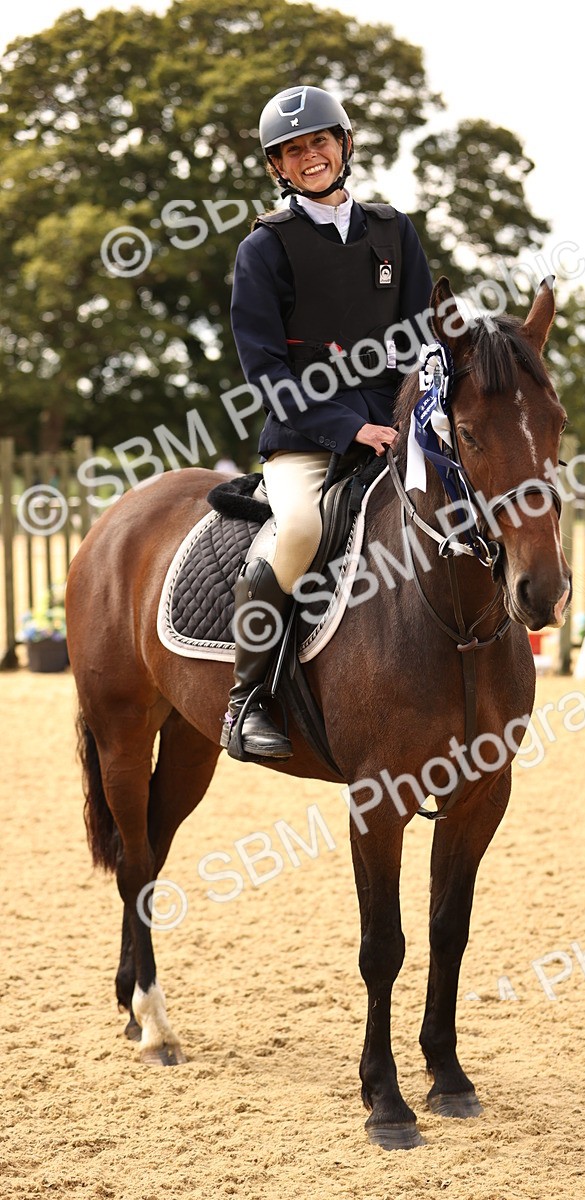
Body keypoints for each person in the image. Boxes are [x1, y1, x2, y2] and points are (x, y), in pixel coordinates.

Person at [221, 84, 433, 762]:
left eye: (319, 141)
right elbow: (265, 373)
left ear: (345, 145)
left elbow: (422, 330)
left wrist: (415, 409)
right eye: (291, 151)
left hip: (394, 423)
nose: (308, 156)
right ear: (277, 168)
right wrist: (347, 430)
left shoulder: (393, 231)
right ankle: (246, 701)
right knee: (302, 530)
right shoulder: (265, 249)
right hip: (305, 436)